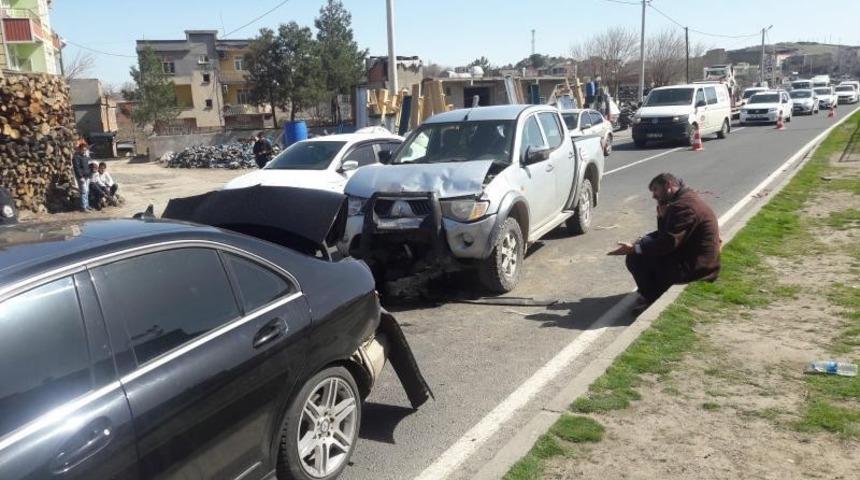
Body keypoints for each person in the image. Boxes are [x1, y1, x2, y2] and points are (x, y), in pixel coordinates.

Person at [608, 173, 721, 313]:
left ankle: (652, 298)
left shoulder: (682, 207)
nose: (654, 196)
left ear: (668, 185)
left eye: (655, 190)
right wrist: (645, 237)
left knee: (636, 258)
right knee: (645, 244)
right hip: (692, 256)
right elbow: (669, 234)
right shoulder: (685, 199)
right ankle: (653, 290)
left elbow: (667, 243)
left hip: (697, 267)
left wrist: (635, 248)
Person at [72, 141, 92, 212]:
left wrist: (90, 175)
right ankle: (83, 207)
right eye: (83, 149)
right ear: (79, 149)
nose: (84, 150)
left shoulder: (86, 157)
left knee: (87, 191)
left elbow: (89, 167)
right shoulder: (76, 157)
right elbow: (77, 168)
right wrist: (80, 177)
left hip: (87, 177)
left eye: (85, 149)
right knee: (83, 191)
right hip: (82, 177)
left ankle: (87, 205)